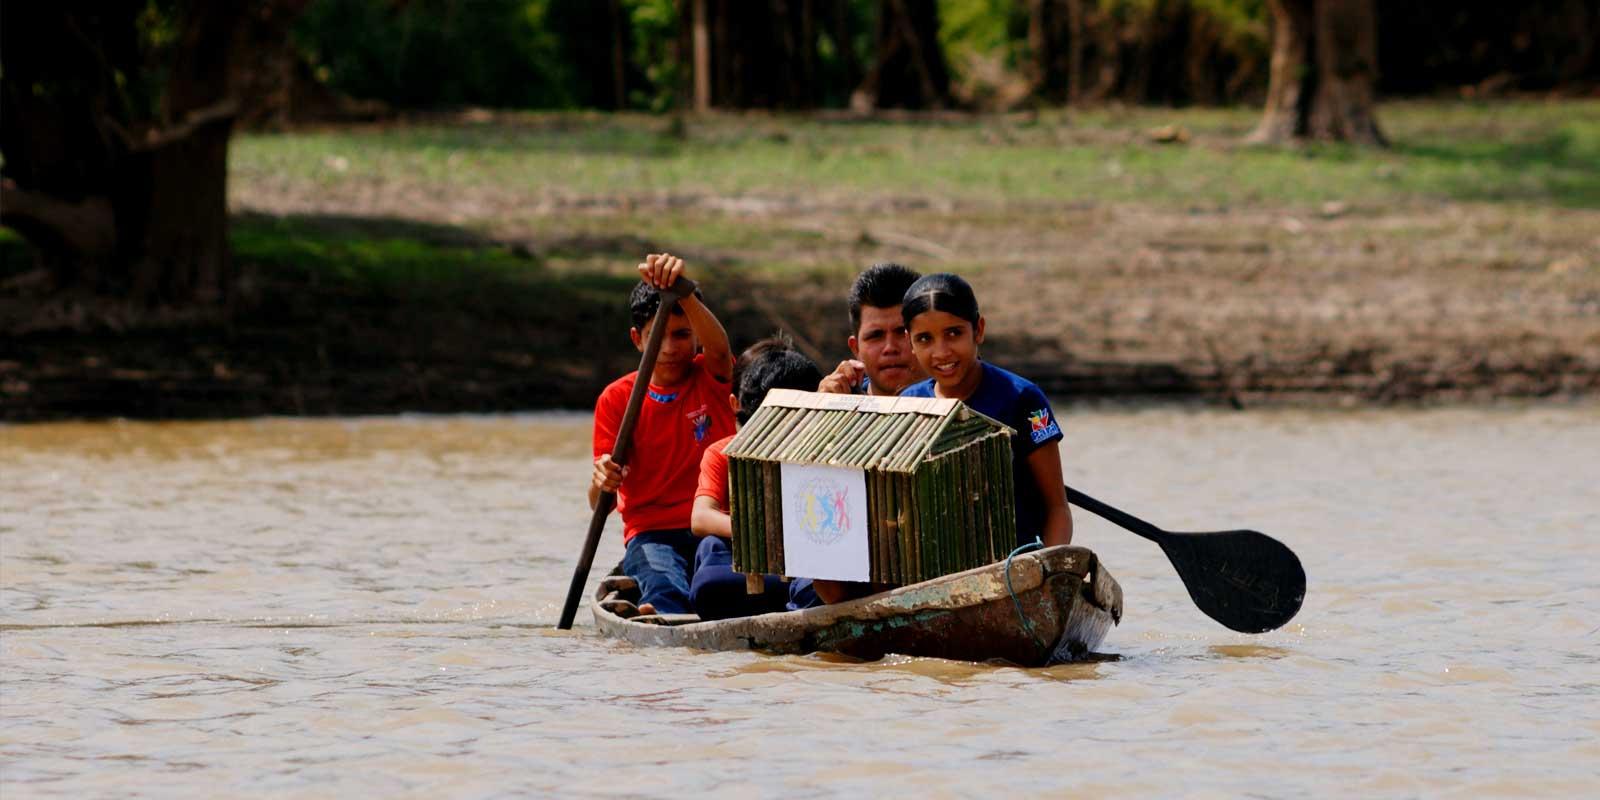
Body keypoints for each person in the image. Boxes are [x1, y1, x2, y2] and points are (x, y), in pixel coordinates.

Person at [591, 253, 736, 616]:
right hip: (652, 534)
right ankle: (659, 617)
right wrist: (603, 479)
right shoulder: (616, 399)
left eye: (682, 335)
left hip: (715, 524)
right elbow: (601, 504)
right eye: (660, 337)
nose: (671, 348)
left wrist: (684, 292)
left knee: (734, 590)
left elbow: (719, 348)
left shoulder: (710, 375)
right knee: (666, 589)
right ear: (637, 340)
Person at [899, 273, 1073, 549]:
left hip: (1016, 566)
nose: (941, 352)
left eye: (953, 333)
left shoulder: (1022, 398)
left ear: (978, 330)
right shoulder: (907, 405)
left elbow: (1057, 509)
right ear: (909, 343)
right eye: (924, 339)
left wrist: (1048, 571)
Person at [688, 335, 824, 619]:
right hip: (744, 569)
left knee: (814, 588)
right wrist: (764, 532)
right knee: (709, 553)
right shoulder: (722, 454)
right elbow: (701, 518)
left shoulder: (821, 452)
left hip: (801, 568)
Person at [816, 263, 926, 397]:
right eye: (875, 336)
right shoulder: (837, 399)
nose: (890, 348)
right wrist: (820, 404)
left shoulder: (956, 401)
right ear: (856, 348)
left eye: (902, 333)